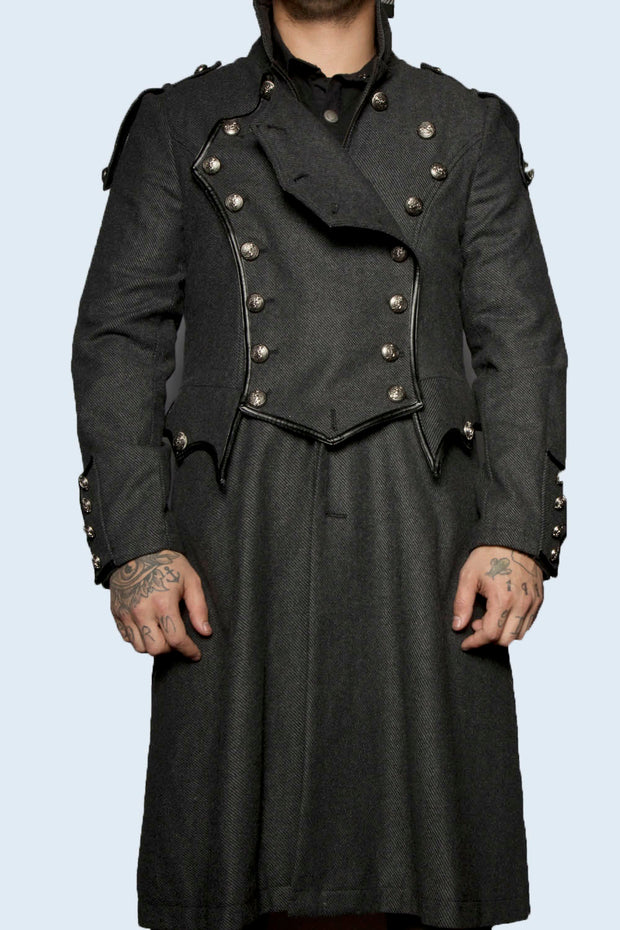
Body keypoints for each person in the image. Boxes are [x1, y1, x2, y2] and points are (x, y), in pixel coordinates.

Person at [70, 1, 568, 929]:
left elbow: (521, 343)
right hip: (234, 541)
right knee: (230, 875)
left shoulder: (468, 126)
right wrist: (135, 542)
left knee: (426, 871)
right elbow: (117, 342)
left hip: (422, 537)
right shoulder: (179, 122)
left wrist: (514, 533)